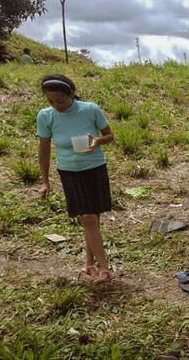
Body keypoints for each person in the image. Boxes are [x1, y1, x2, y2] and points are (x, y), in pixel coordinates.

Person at [37, 74, 115, 283]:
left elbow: (110, 135)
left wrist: (97, 141)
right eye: (50, 101)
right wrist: (45, 181)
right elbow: (43, 150)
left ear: (71, 94)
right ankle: (105, 269)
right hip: (69, 172)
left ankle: (89, 265)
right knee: (88, 218)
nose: (56, 105)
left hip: (95, 168)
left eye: (60, 101)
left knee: (93, 220)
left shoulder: (90, 109)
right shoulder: (46, 116)